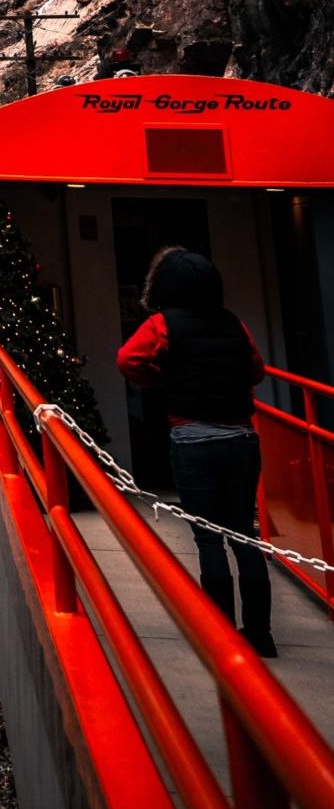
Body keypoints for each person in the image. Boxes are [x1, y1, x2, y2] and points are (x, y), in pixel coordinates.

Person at [117, 248, 274, 656]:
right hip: (242, 439)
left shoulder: (162, 324)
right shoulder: (234, 325)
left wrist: (161, 377)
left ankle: (219, 636)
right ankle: (260, 634)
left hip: (191, 440)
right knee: (245, 535)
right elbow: (256, 370)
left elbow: (128, 361)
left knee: (209, 539)